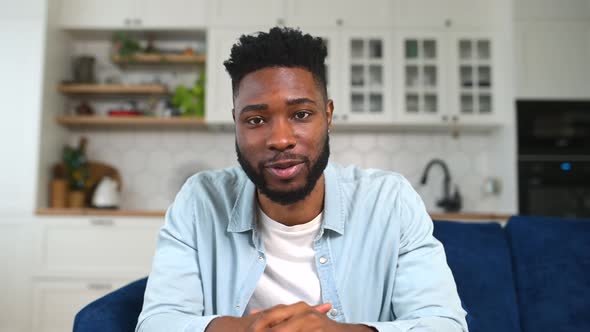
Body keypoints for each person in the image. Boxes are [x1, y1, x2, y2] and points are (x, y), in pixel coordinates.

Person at [136, 27, 468, 332]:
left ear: (329, 116)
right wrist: (246, 329)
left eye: (301, 114)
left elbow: (445, 325)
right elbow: (156, 323)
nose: (280, 139)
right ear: (236, 123)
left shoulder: (390, 201)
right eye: (256, 119)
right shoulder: (199, 201)